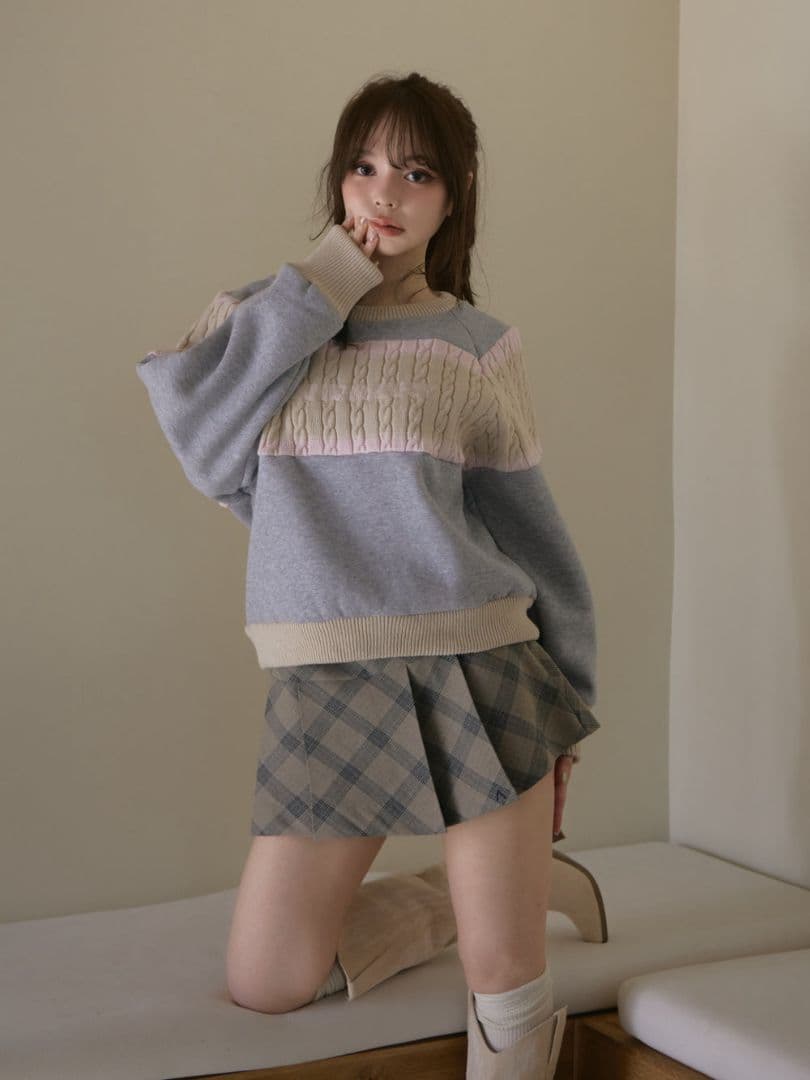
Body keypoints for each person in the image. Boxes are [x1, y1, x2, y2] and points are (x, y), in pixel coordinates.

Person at [135, 70, 603, 1080]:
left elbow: (533, 535)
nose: (383, 194)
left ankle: (507, 898)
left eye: (416, 173)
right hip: (330, 674)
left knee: (504, 982)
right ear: (338, 179)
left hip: (485, 667)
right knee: (267, 981)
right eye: (363, 166)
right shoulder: (264, 319)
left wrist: (575, 704)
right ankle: (468, 893)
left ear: (455, 194)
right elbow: (204, 449)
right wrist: (326, 285)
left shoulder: (477, 346)